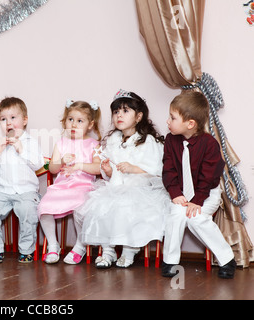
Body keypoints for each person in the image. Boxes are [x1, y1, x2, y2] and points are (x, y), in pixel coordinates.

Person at [78, 89, 169, 268]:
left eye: (125, 111)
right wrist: (108, 171)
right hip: (115, 187)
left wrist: (134, 168)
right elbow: (111, 169)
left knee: (127, 209)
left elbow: (156, 170)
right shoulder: (113, 140)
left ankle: (129, 250)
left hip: (140, 189)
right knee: (101, 209)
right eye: (116, 112)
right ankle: (108, 251)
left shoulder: (148, 141)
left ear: (138, 116)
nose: (119, 115)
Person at [161, 91, 236, 279]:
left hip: (206, 193)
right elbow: (168, 169)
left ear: (190, 123)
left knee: (195, 218)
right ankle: (169, 261)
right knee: (176, 214)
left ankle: (227, 259)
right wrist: (175, 193)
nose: (168, 121)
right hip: (181, 193)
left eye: (173, 117)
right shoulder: (170, 140)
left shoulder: (209, 144)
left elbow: (209, 177)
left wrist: (197, 200)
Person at [38, 100, 102, 264]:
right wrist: (60, 162)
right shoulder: (61, 143)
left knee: (80, 208)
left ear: (90, 124)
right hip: (61, 187)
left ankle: (79, 246)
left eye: (80, 121)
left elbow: (97, 168)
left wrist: (79, 165)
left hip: (83, 187)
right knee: (43, 207)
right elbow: (52, 169)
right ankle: (53, 244)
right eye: (70, 119)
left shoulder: (94, 145)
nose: (73, 124)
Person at [0, 97, 44, 263]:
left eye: (13, 118)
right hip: (2, 190)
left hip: (26, 191)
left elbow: (38, 163)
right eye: (3, 119)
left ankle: (26, 250)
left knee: (28, 213)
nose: (8, 123)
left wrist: (21, 149)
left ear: (24, 120)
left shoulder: (31, 142)